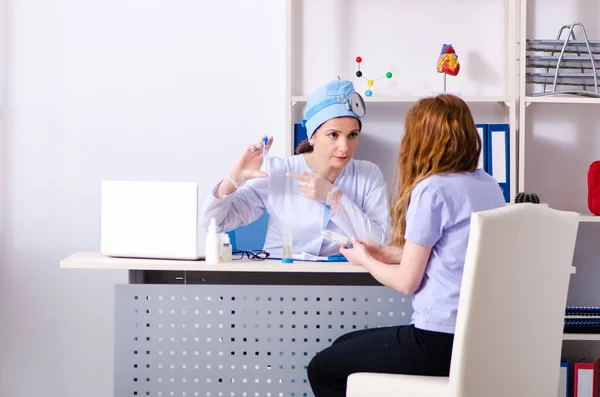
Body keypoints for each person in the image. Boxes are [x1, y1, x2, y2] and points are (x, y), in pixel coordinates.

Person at [306, 94, 506, 397]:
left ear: (421, 140)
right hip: (478, 340)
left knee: (323, 367)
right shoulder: (487, 185)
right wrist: (387, 253)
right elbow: (453, 254)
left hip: (437, 340)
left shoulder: (432, 189)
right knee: (343, 347)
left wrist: (366, 259)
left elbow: (406, 283)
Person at [199, 79, 390, 258]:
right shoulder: (279, 171)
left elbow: (381, 242)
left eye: (352, 135)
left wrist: (334, 197)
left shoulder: (368, 175)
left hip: (340, 281)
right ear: (312, 136)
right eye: (333, 134)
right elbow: (213, 224)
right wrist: (233, 179)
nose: (345, 147)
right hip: (280, 280)